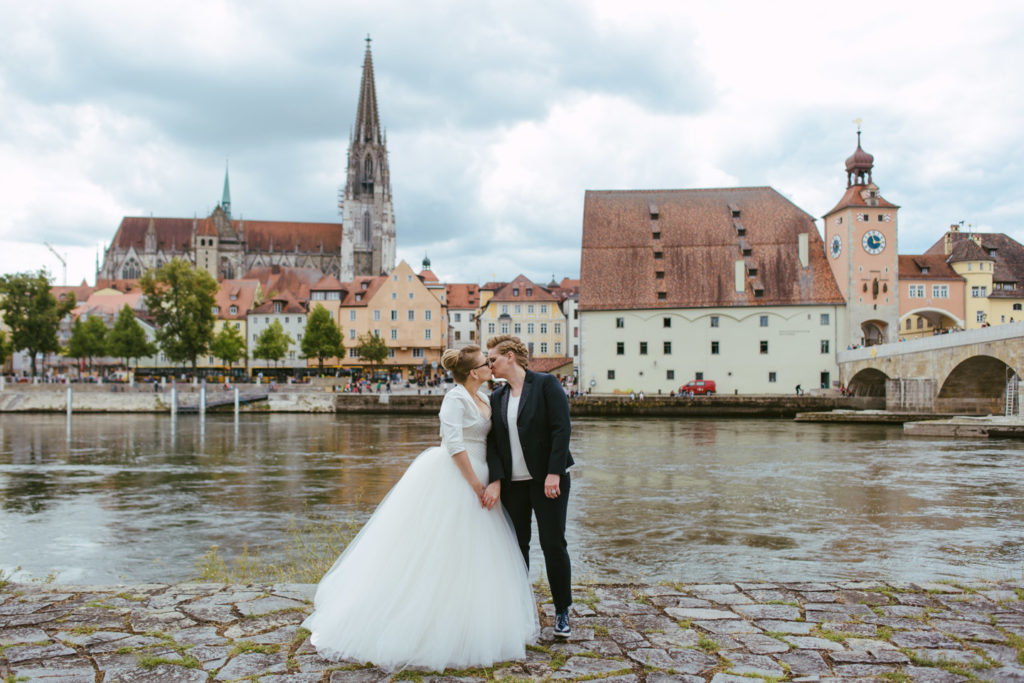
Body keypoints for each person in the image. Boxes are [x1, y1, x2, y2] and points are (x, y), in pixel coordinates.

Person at [302, 345, 538, 671]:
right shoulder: (455, 399)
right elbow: (454, 444)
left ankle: (468, 618)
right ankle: (425, 623)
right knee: (437, 549)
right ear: (474, 372)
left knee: (475, 554)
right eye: (486, 363)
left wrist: (493, 481)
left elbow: (493, 442)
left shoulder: (485, 398)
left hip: (484, 477)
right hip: (458, 478)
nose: (491, 366)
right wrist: (475, 485)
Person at [482, 335, 574, 638]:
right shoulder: (497, 396)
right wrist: (495, 480)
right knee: (516, 546)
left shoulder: (545, 384)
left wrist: (554, 472)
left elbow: (561, 428)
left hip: (547, 480)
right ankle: (520, 609)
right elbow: (492, 444)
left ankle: (562, 611)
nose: (488, 363)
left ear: (510, 356)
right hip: (513, 485)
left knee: (552, 543)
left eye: (492, 358)